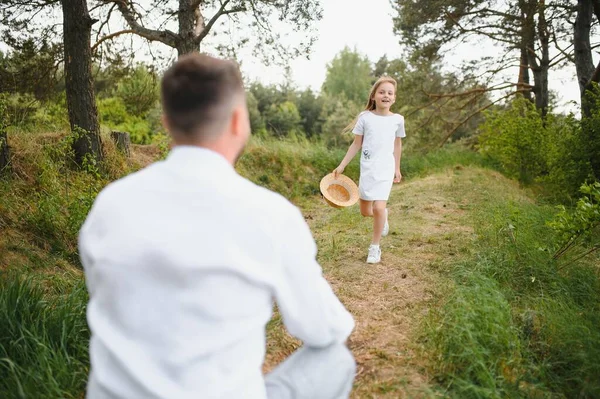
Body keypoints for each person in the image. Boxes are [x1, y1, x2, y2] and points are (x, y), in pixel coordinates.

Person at [79, 53, 356, 399]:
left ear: (167, 122)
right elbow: (327, 328)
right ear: (238, 120)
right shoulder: (271, 214)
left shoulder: (109, 204)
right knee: (336, 359)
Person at [333, 76, 406, 264]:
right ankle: (383, 216)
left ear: (394, 98)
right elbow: (356, 144)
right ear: (374, 96)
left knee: (378, 206)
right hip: (367, 170)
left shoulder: (398, 120)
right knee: (366, 211)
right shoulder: (365, 118)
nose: (386, 95)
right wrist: (342, 165)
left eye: (390, 93)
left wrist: (397, 168)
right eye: (382, 92)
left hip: (386, 169)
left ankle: (375, 247)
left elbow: (397, 145)